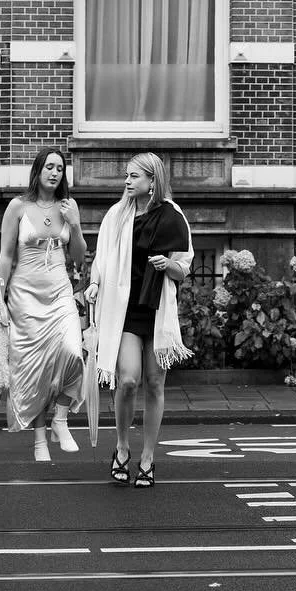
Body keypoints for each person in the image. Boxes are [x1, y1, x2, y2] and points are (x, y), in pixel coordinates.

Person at [83, 152, 193, 488]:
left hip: (156, 310)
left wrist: (167, 265)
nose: (127, 181)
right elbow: (101, 259)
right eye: (127, 175)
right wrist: (94, 283)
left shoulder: (173, 217)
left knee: (155, 384)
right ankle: (121, 447)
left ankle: (147, 457)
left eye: (134, 176)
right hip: (124, 310)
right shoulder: (117, 215)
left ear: (152, 181)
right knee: (128, 379)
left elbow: (183, 269)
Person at [0, 147, 87, 461]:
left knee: (73, 352)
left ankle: (61, 419)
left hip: (59, 291)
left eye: (60, 168)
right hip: (25, 296)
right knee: (35, 370)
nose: (55, 172)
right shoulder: (18, 207)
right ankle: (39, 442)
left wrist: (74, 224)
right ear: (38, 170)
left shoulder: (67, 207)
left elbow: (79, 257)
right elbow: (6, 256)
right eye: (49, 166)